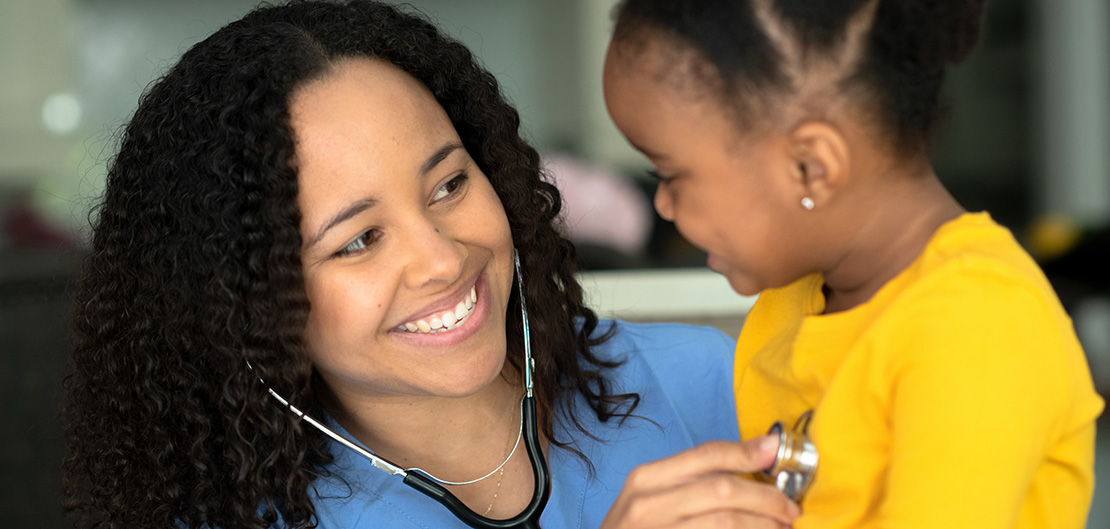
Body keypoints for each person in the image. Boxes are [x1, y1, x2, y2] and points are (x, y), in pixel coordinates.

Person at [60, 1, 800, 528]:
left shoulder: (714, 386)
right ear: (248, 303)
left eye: (449, 185)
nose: (442, 257)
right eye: (358, 239)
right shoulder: (240, 516)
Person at [602, 1, 1104, 528]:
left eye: (669, 174)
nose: (661, 206)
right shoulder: (796, 299)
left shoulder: (977, 326)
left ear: (811, 167)